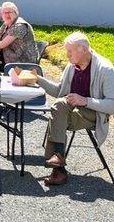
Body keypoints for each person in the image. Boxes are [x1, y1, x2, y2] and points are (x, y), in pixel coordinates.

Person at [32, 32, 114, 186]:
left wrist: (85, 101)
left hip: (94, 113)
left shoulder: (106, 69)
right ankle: (58, 159)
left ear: (84, 50)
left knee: (57, 116)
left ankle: (59, 168)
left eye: (70, 51)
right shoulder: (72, 66)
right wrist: (37, 79)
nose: (67, 55)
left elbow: (112, 105)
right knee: (59, 106)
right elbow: (59, 91)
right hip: (71, 109)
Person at [0, 1, 39, 67]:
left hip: (22, 62)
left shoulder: (20, 26)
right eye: (4, 13)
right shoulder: (6, 24)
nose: (6, 15)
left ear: (16, 13)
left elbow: (2, 44)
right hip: (8, 58)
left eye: (9, 12)